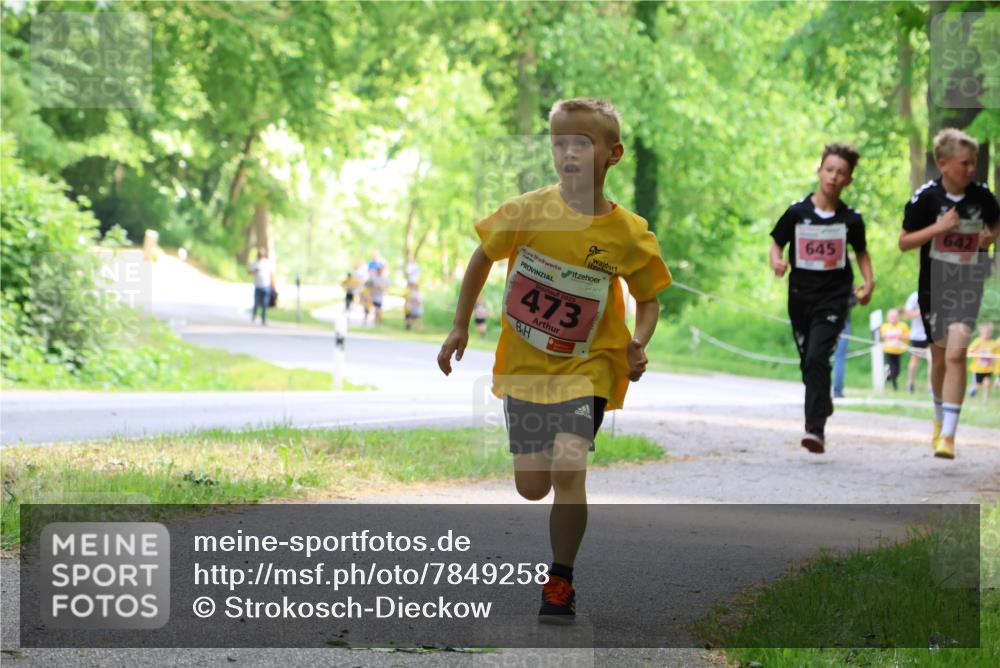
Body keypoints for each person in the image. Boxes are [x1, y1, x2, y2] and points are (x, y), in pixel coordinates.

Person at [437, 98, 670, 624]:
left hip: (589, 365)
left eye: (580, 144)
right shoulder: (528, 210)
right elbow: (482, 256)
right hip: (526, 366)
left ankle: (560, 579)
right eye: (559, 142)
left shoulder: (628, 233)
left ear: (613, 155)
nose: (567, 153)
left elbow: (649, 295)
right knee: (531, 485)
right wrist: (458, 325)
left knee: (570, 466)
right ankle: (556, 555)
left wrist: (640, 341)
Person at [899, 128, 999, 459]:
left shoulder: (982, 198)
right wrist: (938, 229)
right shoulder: (925, 198)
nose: (971, 170)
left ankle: (950, 437)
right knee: (939, 357)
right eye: (964, 163)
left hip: (968, 285)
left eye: (973, 164)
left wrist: (989, 239)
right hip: (934, 288)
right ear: (943, 164)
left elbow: (997, 226)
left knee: (956, 353)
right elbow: (904, 242)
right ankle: (939, 417)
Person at [770, 143, 874, 454]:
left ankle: (815, 430)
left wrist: (869, 282)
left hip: (835, 297)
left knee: (818, 356)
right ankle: (822, 397)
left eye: (841, 173)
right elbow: (776, 243)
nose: (833, 177)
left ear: (848, 181)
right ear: (819, 171)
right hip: (801, 297)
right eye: (829, 170)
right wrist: (777, 261)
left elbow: (862, 253)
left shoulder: (851, 219)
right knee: (808, 361)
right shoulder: (796, 212)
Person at [903, 290, 930, 393]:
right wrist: (920, 313)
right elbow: (906, 314)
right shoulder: (915, 296)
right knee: (915, 360)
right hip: (917, 335)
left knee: (932, 360)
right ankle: (910, 383)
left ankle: (931, 386)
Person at [832, 293, 856, 398]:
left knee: (837, 357)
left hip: (824, 319)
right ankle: (837, 390)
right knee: (840, 357)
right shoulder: (845, 279)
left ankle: (836, 389)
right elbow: (852, 301)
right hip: (842, 321)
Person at [879, 308, 910, 391]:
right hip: (888, 350)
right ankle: (894, 385)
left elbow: (908, 336)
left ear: (898, 317)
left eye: (894, 316)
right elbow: (879, 337)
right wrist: (883, 336)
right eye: (891, 316)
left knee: (898, 370)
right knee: (892, 367)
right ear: (888, 317)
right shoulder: (884, 326)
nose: (892, 318)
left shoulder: (903, 326)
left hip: (898, 351)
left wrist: (902, 337)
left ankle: (889, 377)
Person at [968, 322, 996, 401]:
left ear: (990, 333)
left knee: (987, 383)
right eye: (983, 333)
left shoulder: (992, 343)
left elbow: (997, 353)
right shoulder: (977, 341)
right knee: (977, 385)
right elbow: (970, 350)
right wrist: (978, 351)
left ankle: (985, 399)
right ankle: (972, 391)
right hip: (978, 369)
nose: (985, 334)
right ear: (980, 333)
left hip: (988, 369)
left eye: (987, 333)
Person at [248, 246, 272, 326]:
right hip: (257, 285)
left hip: (266, 285)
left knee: (265, 303)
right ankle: (254, 316)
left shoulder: (267, 262)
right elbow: (249, 272)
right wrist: (255, 271)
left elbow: (271, 274)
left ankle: (263, 318)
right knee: (256, 303)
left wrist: (273, 285)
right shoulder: (254, 262)